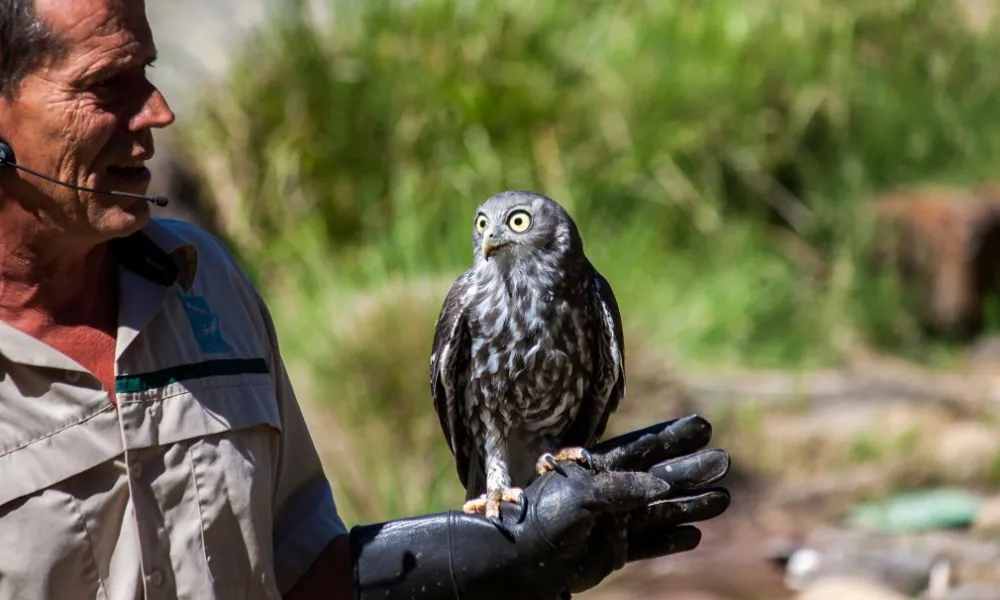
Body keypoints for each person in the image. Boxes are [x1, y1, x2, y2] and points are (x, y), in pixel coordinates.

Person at [0, 0, 732, 598]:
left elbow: (298, 569)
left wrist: (497, 558)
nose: (158, 113)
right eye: (107, 85)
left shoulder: (206, 283)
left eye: (150, 74)